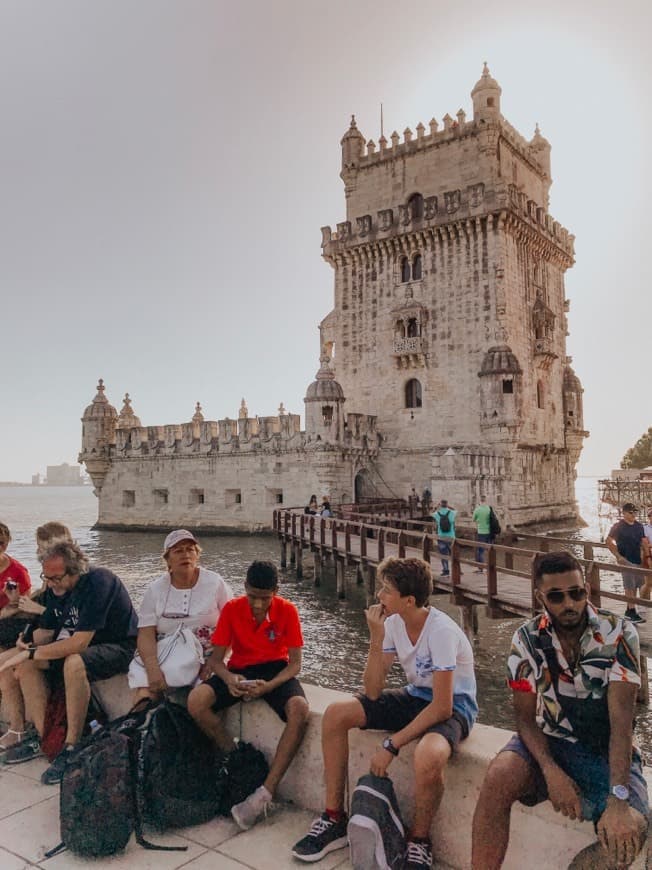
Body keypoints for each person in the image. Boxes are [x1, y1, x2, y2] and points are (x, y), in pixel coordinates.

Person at [292, 557, 478, 869]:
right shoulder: (393, 623)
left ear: (409, 600)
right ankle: (334, 817)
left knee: (429, 755)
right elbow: (374, 691)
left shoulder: (441, 631)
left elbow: (442, 706)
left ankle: (419, 842)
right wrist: (376, 639)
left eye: (386, 591)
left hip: (453, 705)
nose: (379, 596)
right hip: (416, 696)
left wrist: (392, 745)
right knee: (337, 714)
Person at [471, 550, 649, 870]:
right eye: (556, 596)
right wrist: (551, 771)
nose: (569, 604)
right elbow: (525, 720)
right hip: (551, 740)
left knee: (629, 832)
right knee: (498, 776)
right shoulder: (526, 639)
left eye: (576, 593)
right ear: (541, 598)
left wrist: (618, 798)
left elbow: (622, 724)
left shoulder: (620, 634)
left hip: (604, 749)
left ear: (586, 591)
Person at [0, 539, 138, 784]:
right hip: (80, 646)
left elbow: (79, 643)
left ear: (75, 570)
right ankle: (47, 740)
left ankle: (72, 745)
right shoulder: (56, 590)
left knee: (73, 662)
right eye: (47, 577)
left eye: (57, 578)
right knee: (22, 665)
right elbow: (48, 630)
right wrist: (27, 644)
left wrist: (32, 653)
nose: (51, 584)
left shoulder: (98, 582)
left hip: (117, 646)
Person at [187, 560, 309, 831]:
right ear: (244, 588)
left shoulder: (288, 611)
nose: (257, 604)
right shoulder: (231, 609)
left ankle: (266, 791)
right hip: (239, 669)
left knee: (299, 709)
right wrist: (230, 679)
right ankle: (234, 756)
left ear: (276, 591)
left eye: (265, 598)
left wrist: (269, 686)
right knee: (196, 702)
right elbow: (217, 660)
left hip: (275, 670)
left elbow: (295, 664)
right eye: (252, 596)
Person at [128, 529, 232, 699]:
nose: (185, 555)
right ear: (168, 560)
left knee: (204, 695)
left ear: (197, 555)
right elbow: (146, 633)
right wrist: (153, 669)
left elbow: (231, 624)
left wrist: (216, 661)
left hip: (210, 655)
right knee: (145, 694)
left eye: (190, 549)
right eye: (178, 551)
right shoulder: (155, 590)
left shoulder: (215, 582)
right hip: (167, 654)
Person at [605, 502, 650, 623]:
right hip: (626, 560)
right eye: (631, 512)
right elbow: (608, 541)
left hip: (638, 560)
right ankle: (631, 612)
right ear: (624, 513)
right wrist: (618, 556)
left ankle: (629, 611)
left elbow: (644, 541)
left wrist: (648, 557)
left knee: (636, 585)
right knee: (629, 586)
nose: (634, 514)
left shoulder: (639, 526)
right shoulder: (618, 526)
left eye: (635, 512)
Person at [433, 499, 456, 576]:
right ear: (447, 504)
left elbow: (431, 513)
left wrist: (436, 507)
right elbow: (455, 510)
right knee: (453, 554)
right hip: (451, 537)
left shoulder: (437, 514)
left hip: (441, 537)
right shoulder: (452, 513)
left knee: (443, 554)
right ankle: (456, 569)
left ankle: (446, 570)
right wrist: (449, 506)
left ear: (441, 505)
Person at [472, 495, 492, 572]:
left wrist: (479, 520)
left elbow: (473, 519)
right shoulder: (489, 509)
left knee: (481, 551)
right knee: (489, 550)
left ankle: (481, 569)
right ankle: (490, 568)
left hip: (481, 532)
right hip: (489, 532)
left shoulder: (477, 509)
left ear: (479, 501)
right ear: (486, 500)